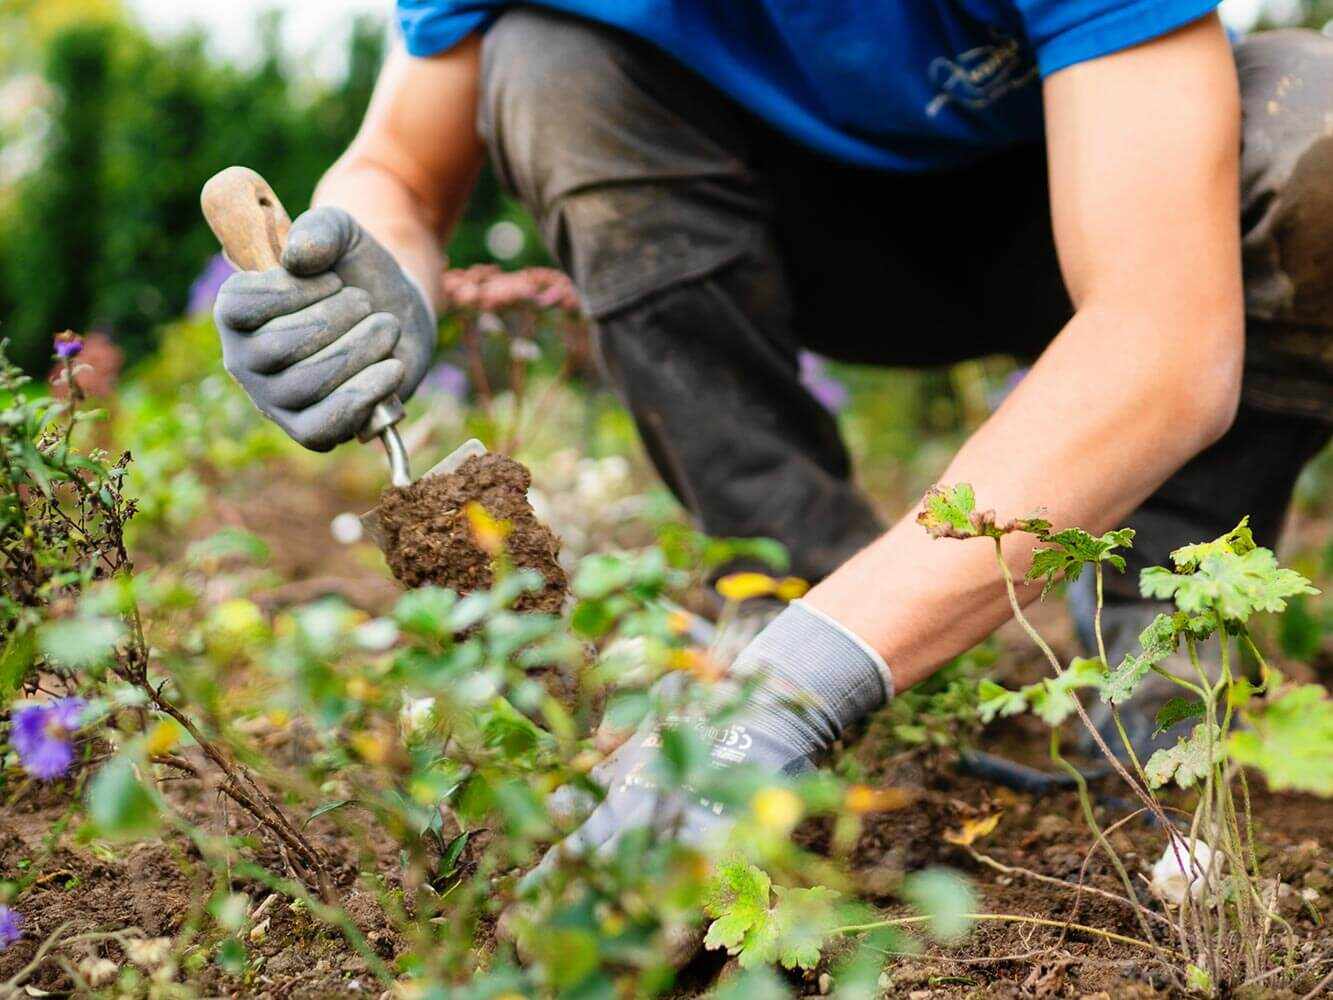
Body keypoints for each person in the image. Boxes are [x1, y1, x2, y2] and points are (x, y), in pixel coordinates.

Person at [213, 3, 1333, 861]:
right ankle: (781, 586)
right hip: (773, 230)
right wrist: (369, 274)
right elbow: (401, 168)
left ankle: (1165, 618)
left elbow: (1162, 339)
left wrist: (792, 694)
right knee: (547, 61)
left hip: (1102, 196)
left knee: (1316, 131)